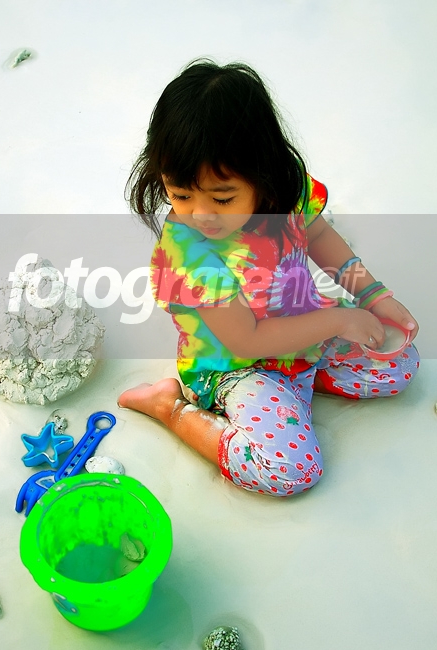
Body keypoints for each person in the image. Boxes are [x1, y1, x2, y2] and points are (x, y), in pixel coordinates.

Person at [118, 59, 419, 496]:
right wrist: (341, 321)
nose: (200, 213)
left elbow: (318, 235)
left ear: (263, 172)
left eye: (223, 198)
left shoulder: (286, 188)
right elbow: (247, 341)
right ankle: (171, 408)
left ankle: (302, 386)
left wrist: (373, 297)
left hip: (304, 329)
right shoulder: (189, 251)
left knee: (400, 363)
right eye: (180, 194)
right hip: (238, 366)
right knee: (290, 470)